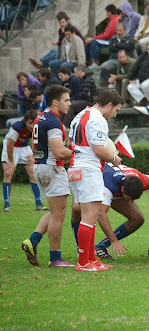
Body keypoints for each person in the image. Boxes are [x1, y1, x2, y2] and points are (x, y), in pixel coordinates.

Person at [68, 90, 123, 272]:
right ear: (108, 105)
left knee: (89, 215)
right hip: (88, 169)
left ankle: (91, 259)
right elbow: (99, 150)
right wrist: (114, 158)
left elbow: (71, 143)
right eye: (115, 109)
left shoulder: (81, 114)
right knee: (89, 216)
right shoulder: (97, 118)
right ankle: (84, 262)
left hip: (76, 167)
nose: (115, 114)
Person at [21, 85, 74, 267]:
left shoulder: (40, 118)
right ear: (55, 102)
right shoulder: (52, 121)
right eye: (66, 100)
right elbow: (59, 152)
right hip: (52, 168)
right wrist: (78, 151)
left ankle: (32, 241)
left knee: (53, 213)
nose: (69, 103)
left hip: (41, 167)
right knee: (59, 215)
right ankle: (55, 258)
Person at [72, 163, 149, 260]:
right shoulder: (109, 185)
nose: (131, 202)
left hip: (116, 186)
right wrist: (114, 240)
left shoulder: (144, 180)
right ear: (122, 189)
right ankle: (82, 250)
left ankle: (101, 247)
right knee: (77, 210)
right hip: (93, 179)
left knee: (137, 219)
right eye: (129, 198)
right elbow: (101, 214)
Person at [2, 110, 46, 212]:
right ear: (25, 121)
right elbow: (9, 145)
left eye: (34, 122)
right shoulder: (17, 127)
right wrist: (12, 162)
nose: (32, 125)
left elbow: (36, 141)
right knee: (8, 173)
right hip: (11, 147)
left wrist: (33, 155)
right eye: (30, 123)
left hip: (24, 147)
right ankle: (6, 205)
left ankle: (39, 204)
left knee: (33, 173)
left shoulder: (37, 127)